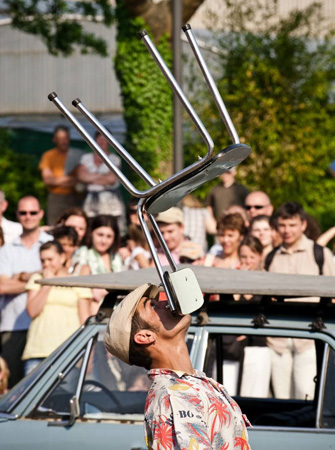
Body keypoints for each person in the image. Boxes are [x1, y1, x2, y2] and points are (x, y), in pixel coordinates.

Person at [104, 284, 251, 450]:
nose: (165, 302)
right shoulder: (174, 395)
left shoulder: (191, 383)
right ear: (145, 336)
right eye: (152, 306)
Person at [265, 202, 335, 400]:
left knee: (306, 397)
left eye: (292, 225)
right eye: (283, 225)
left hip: (311, 339)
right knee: (280, 400)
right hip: (278, 340)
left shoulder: (319, 254)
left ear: (303, 225)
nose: (287, 230)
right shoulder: (271, 257)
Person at [0, 196, 52, 387]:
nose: (28, 216)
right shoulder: (7, 249)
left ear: (41, 214)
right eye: (23, 212)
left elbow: (56, 278)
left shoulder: (51, 243)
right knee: (11, 384)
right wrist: (39, 278)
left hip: (44, 325)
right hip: (12, 326)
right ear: (17, 215)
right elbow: (2, 286)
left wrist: (19, 277)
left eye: (32, 212)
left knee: (43, 387)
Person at [22, 241, 92, 375]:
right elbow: (32, 311)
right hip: (39, 351)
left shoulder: (78, 281)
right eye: (43, 260)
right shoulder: (38, 279)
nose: (46, 264)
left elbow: (85, 319)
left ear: (62, 257)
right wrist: (47, 284)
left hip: (70, 352)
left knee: (66, 395)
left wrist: (88, 353)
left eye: (50, 259)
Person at [77, 133, 126, 234]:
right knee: (91, 228)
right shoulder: (86, 157)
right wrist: (103, 176)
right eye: (100, 140)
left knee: (111, 228)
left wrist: (91, 176)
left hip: (110, 202)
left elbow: (111, 179)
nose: (102, 143)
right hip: (91, 201)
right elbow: (81, 176)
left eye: (105, 140)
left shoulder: (114, 159)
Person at [39, 126, 82, 225]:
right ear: (54, 139)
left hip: (73, 197)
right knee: (54, 226)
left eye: (66, 138)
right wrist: (70, 180)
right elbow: (48, 180)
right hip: (55, 198)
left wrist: (56, 180)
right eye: (60, 139)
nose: (64, 142)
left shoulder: (76, 155)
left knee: (73, 226)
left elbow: (80, 180)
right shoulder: (48, 156)